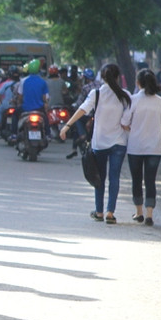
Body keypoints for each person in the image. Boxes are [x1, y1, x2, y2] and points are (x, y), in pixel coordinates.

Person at [60, 63, 131, 224]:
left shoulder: (96, 93)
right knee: (114, 178)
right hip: (119, 142)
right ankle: (110, 212)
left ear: (103, 78)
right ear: (118, 77)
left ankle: (99, 211)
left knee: (99, 177)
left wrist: (67, 126)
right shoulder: (125, 95)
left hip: (100, 143)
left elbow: (82, 110)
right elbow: (130, 118)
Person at [121, 69, 161, 226]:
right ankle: (150, 214)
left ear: (138, 83)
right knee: (150, 180)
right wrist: (152, 131)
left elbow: (124, 123)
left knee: (136, 179)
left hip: (136, 146)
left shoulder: (133, 100)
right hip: (155, 147)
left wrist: (135, 130)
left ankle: (139, 212)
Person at [11, 58, 49, 138]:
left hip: (25, 108)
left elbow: (20, 96)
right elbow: (45, 98)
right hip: (39, 108)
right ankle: (48, 134)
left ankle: (14, 134)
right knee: (46, 117)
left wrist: (19, 103)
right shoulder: (43, 82)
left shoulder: (23, 81)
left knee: (15, 114)